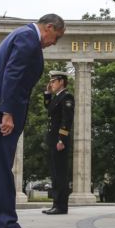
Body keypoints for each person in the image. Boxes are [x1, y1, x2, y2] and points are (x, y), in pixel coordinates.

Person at [0, 14, 65, 228]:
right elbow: (12, 75)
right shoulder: (28, 39)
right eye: (56, 37)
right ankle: (7, 225)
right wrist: (8, 113)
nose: (54, 43)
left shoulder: (20, 34)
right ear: (49, 27)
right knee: (2, 169)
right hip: (1, 110)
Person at [41, 70, 74, 215]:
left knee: (60, 174)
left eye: (54, 81)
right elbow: (49, 109)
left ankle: (61, 206)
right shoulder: (57, 97)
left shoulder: (67, 97)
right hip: (53, 140)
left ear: (62, 82)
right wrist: (47, 94)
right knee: (55, 174)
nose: (51, 84)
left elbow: (66, 121)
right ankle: (56, 204)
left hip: (60, 141)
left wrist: (61, 139)